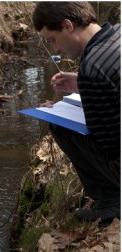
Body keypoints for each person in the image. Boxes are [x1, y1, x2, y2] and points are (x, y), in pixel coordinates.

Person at [32, 2, 120, 222]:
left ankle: (112, 200)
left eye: (52, 39)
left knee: (59, 124)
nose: (55, 49)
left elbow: (107, 144)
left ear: (68, 25)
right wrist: (82, 84)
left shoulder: (93, 67)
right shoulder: (117, 34)